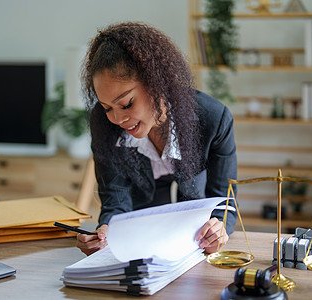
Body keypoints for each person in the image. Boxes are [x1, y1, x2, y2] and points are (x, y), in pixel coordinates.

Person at [76, 22, 237, 256]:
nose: (118, 118)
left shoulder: (214, 119)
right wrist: (106, 230)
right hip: (144, 198)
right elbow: (115, 197)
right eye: (107, 107)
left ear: (157, 83)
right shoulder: (103, 122)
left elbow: (224, 200)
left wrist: (218, 228)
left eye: (126, 103)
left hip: (192, 196)